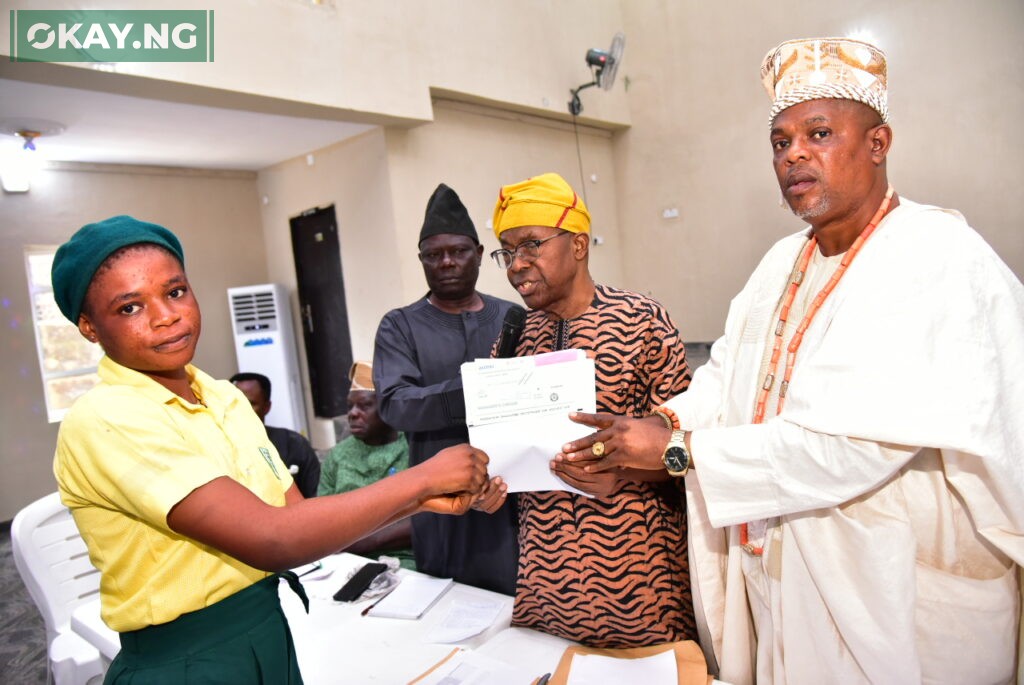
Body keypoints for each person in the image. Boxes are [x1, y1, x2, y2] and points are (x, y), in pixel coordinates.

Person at [560, 37, 1024, 684]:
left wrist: (674, 451)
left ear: (879, 143)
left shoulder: (937, 256)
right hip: (786, 570)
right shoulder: (782, 262)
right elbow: (728, 376)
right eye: (780, 142)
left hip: (896, 590)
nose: (794, 154)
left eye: (819, 134)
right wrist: (658, 424)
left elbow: (852, 445)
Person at [51, 215, 488, 683]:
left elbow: (294, 517)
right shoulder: (106, 417)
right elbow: (272, 538)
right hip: (185, 658)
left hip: (266, 628)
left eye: (175, 292)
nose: (165, 316)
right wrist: (423, 479)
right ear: (89, 327)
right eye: (130, 307)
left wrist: (422, 499)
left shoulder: (223, 397)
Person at [479, 172, 696, 648]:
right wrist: (488, 486)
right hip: (546, 582)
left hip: (640, 581)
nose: (516, 265)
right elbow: (505, 455)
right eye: (507, 252)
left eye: (530, 245)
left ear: (578, 244)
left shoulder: (642, 322)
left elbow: (689, 452)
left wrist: (624, 473)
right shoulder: (514, 338)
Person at [372, 183, 520, 595]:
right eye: (433, 255)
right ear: (421, 260)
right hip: (441, 502)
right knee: (447, 608)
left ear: (479, 252)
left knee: (522, 610)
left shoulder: (513, 317)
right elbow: (395, 405)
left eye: (458, 251)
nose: (447, 262)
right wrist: (481, 389)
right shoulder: (400, 325)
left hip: (514, 494)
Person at [318, 360, 415, 569]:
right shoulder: (337, 456)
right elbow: (321, 519)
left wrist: (362, 543)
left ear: (387, 408)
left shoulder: (413, 449)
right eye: (350, 406)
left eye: (365, 405)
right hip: (344, 561)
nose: (353, 413)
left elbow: (427, 521)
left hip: (406, 560)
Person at [230, 371, 321, 498]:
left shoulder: (294, 444)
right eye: (236, 403)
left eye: (251, 403)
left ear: (267, 407)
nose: (243, 409)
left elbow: (316, 497)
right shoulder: (217, 447)